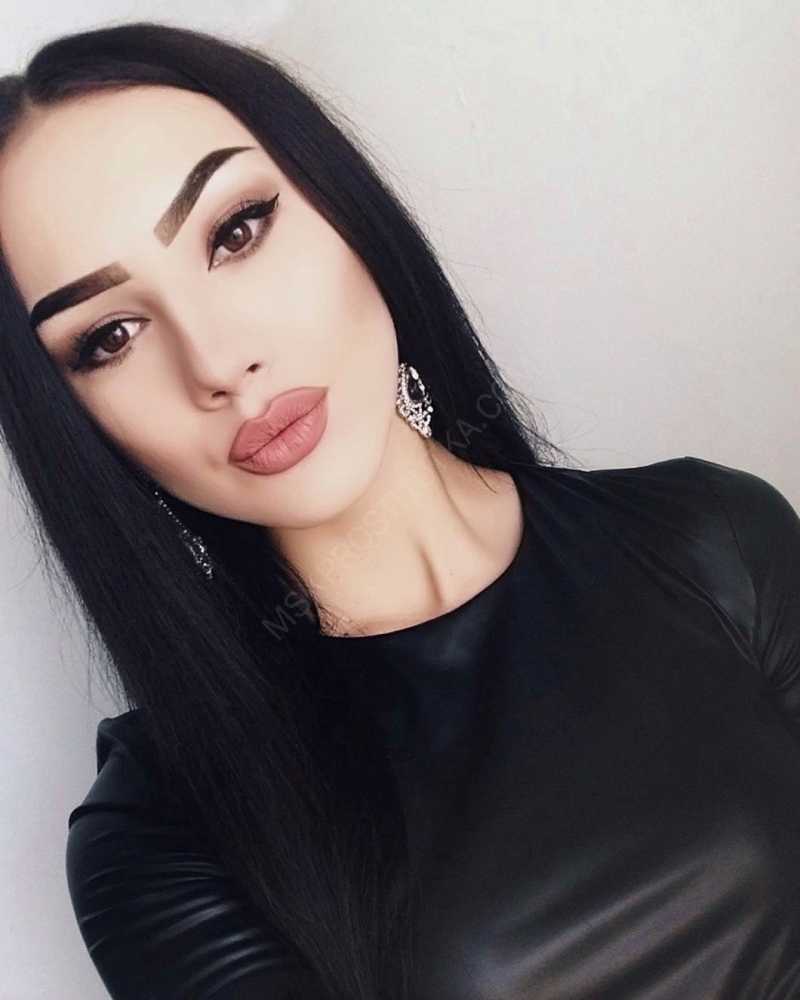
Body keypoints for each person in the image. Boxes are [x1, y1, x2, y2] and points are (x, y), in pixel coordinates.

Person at [0, 20, 798, 1000]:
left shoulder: (717, 541)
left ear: (343, 207)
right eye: (111, 336)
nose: (218, 362)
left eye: (235, 232)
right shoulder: (162, 833)